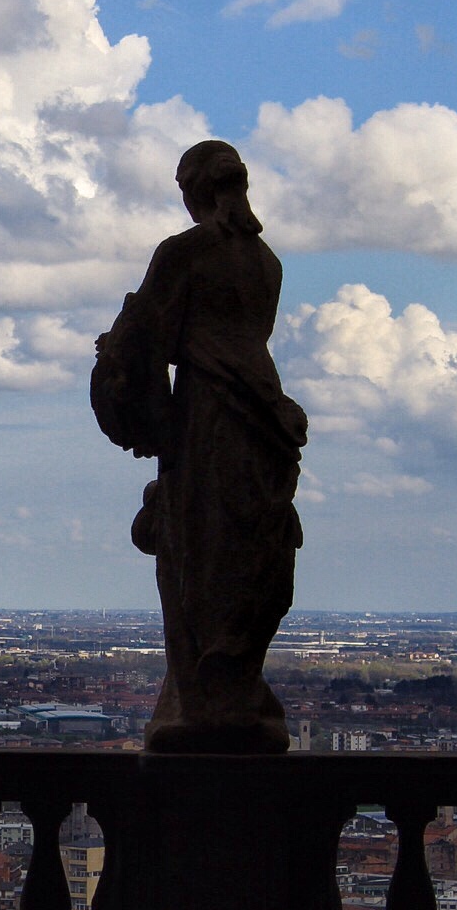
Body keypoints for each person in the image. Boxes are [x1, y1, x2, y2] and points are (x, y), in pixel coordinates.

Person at [92, 140, 307, 752]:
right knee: (247, 559)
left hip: (207, 423)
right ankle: (232, 688)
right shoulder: (267, 262)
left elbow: (146, 341)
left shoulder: (185, 253)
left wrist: (123, 380)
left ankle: (199, 697)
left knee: (195, 559)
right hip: (262, 426)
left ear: (193, 191)